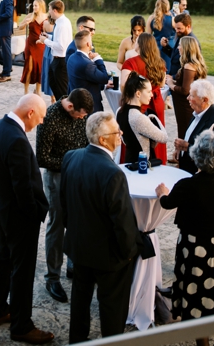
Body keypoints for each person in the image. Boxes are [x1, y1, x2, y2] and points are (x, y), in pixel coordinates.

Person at [62, 112, 152, 343]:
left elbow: (64, 203)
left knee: (80, 303)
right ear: (103, 140)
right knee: (112, 309)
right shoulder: (113, 173)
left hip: (79, 248)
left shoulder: (71, 157)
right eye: (116, 132)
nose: (120, 135)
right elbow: (122, 222)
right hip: (109, 257)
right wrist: (130, 253)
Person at [155, 130, 214, 344]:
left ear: (196, 157)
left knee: (195, 298)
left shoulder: (187, 185)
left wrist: (162, 193)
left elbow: (167, 203)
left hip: (195, 250)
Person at [0, 94, 53, 345]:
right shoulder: (16, 140)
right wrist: (34, 215)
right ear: (30, 113)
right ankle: (22, 325)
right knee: (22, 272)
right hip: (19, 218)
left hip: (3, 211)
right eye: (42, 117)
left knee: (3, 260)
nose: (42, 122)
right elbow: (22, 188)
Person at [35, 88, 93, 304]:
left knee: (77, 222)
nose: (82, 118)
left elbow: (87, 142)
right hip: (57, 178)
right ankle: (52, 278)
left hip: (78, 176)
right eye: (80, 114)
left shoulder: (81, 114)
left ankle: (72, 263)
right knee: (57, 225)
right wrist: (71, 164)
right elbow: (41, 157)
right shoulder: (50, 117)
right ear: (70, 107)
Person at [122, 33, 169, 162]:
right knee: (156, 132)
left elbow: (123, 85)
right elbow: (162, 83)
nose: (135, 42)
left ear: (141, 44)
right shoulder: (160, 63)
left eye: (137, 40)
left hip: (139, 103)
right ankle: (158, 161)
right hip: (156, 100)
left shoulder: (131, 62)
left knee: (135, 137)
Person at [173, 79, 214, 174]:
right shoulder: (198, 112)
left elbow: (211, 155)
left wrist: (187, 147)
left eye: (192, 96)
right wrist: (180, 152)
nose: (188, 98)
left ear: (204, 100)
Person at [116, 74, 166, 167]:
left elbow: (124, 139)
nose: (151, 95)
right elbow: (164, 137)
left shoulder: (119, 111)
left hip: (128, 160)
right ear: (138, 93)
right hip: (141, 164)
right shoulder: (138, 117)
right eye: (148, 91)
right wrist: (154, 118)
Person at [169, 33, 207, 138]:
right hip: (185, 105)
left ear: (186, 48)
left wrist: (171, 84)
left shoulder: (189, 66)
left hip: (185, 106)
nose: (177, 48)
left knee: (184, 131)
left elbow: (185, 90)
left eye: (180, 45)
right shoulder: (193, 64)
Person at [66, 29, 111, 116]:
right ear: (88, 44)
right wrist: (98, 59)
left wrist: (104, 86)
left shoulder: (72, 57)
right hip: (89, 107)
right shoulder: (87, 64)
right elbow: (104, 78)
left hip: (76, 102)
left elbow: (84, 79)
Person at [18, 0, 48, 95]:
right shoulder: (30, 15)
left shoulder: (47, 17)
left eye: (36, 6)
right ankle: (26, 91)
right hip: (31, 44)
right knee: (29, 68)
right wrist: (25, 23)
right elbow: (19, 27)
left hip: (41, 45)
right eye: (33, 5)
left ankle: (37, 91)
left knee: (40, 68)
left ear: (41, 6)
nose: (34, 7)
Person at [45, 0, 72, 100]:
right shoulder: (60, 22)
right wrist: (48, 36)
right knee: (52, 83)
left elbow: (61, 46)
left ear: (55, 10)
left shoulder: (62, 24)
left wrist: (45, 41)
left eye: (50, 9)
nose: (49, 12)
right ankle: (59, 105)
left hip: (61, 60)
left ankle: (64, 109)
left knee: (61, 90)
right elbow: (59, 39)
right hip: (56, 59)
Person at [151, 0, 176, 70]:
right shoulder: (172, 19)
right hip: (168, 49)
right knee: (166, 71)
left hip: (155, 49)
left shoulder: (151, 19)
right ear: (167, 6)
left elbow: (148, 37)